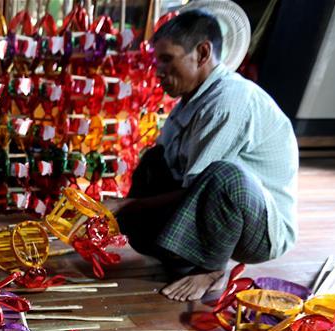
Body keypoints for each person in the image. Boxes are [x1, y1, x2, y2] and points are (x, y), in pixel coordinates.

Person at [114, 9, 299, 301]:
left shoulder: (230, 100)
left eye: (167, 59)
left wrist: (126, 205)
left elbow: (200, 186)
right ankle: (180, 257)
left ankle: (211, 270)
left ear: (202, 53)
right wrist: (126, 209)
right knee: (154, 160)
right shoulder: (189, 101)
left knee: (224, 175)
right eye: (157, 60)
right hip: (215, 209)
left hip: (262, 230)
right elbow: (173, 171)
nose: (159, 71)